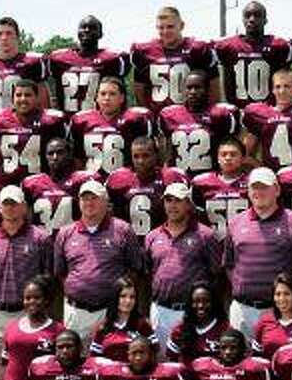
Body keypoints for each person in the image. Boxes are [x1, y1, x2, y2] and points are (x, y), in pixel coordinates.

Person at [222, 167, 292, 341]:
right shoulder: (235, 223)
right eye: (254, 187)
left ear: (276, 189)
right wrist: (246, 288)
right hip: (243, 310)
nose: (258, 192)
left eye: (264, 187)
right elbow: (230, 264)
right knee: (242, 363)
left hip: (281, 310)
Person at [52, 180, 145, 340]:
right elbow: (61, 273)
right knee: (76, 360)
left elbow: (135, 269)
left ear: (105, 201)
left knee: (110, 359)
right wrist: (78, 290)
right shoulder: (65, 233)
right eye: (84, 198)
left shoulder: (123, 230)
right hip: (76, 313)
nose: (89, 203)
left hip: (110, 312)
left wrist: (118, 297)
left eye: (94, 198)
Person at [0, 184, 52, 378]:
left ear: (24, 207)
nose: (10, 208)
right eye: (6, 204)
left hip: (30, 314)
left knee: (32, 367)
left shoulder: (40, 239)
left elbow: (49, 279)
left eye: (14, 204)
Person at [145, 182, 221, 348]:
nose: (172, 205)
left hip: (193, 313)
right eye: (168, 200)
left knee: (192, 361)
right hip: (160, 310)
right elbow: (147, 275)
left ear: (188, 204)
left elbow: (217, 275)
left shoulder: (205, 235)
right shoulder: (152, 236)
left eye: (178, 200)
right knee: (163, 363)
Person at [129, 5, 219, 116]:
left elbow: (213, 88)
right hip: (158, 117)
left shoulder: (197, 50)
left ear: (181, 26)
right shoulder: (144, 52)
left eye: (170, 27)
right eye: (161, 28)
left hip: (192, 118)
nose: (165, 31)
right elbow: (139, 92)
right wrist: (149, 117)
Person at [0, 15, 51, 129]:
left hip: (26, 128)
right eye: (0, 34)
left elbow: (44, 106)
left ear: (17, 37)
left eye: (9, 33)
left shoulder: (32, 63)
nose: (4, 38)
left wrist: (39, 129)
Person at [0, 79, 68, 186]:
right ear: (12, 99)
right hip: (8, 185)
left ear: (37, 98)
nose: (23, 99)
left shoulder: (51, 121)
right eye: (18, 95)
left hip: (42, 184)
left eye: (28, 95)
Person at [1, 275, 65, 380]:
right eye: (27, 298)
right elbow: (5, 362)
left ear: (47, 300)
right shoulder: (12, 328)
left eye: (37, 298)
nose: (31, 302)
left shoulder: (58, 330)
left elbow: (64, 368)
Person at [214, 0, 292, 107]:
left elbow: (286, 82)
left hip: (269, 112)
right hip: (240, 112)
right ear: (243, 19)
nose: (252, 19)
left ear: (265, 20)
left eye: (257, 15)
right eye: (247, 16)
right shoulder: (228, 46)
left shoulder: (278, 46)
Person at [157, 69, 240, 176]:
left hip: (211, 178)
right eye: (189, 88)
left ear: (207, 89)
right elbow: (168, 153)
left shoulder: (220, 115)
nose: (192, 92)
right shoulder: (169, 115)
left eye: (197, 87)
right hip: (180, 180)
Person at [241, 67, 292, 170]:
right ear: (272, 90)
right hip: (271, 176)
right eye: (278, 87)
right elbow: (246, 153)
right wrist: (261, 169)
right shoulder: (259, 113)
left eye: (287, 86)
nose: (282, 91)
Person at [70, 77, 155, 179]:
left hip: (125, 181)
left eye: (112, 94)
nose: (107, 98)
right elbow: (78, 157)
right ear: (96, 98)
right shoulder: (82, 121)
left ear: (122, 98)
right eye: (103, 94)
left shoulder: (134, 120)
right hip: (92, 184)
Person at [105, 135, 187, 239]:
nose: (140, 161)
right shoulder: (119, 179)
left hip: (163, 241)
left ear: (155, 155)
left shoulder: (170, 177)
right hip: (130, 244)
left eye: (145, 155)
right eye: (136, 156)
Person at [48, 15, 128, 114]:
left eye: (92, 28)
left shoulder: (112, 59)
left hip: (99, 122)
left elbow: (121, 92)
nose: (86, 30)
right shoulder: (59, 58)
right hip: (67, 120)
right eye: (83, 27)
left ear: (100, 34)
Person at [22, 138, 100, 235]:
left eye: (60, 153)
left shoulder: (82, 180)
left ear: (69, 154)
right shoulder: (32, 183)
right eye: (50, 153)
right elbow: (26, 220)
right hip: (42, 243)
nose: (55, 157)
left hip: (73, 242)